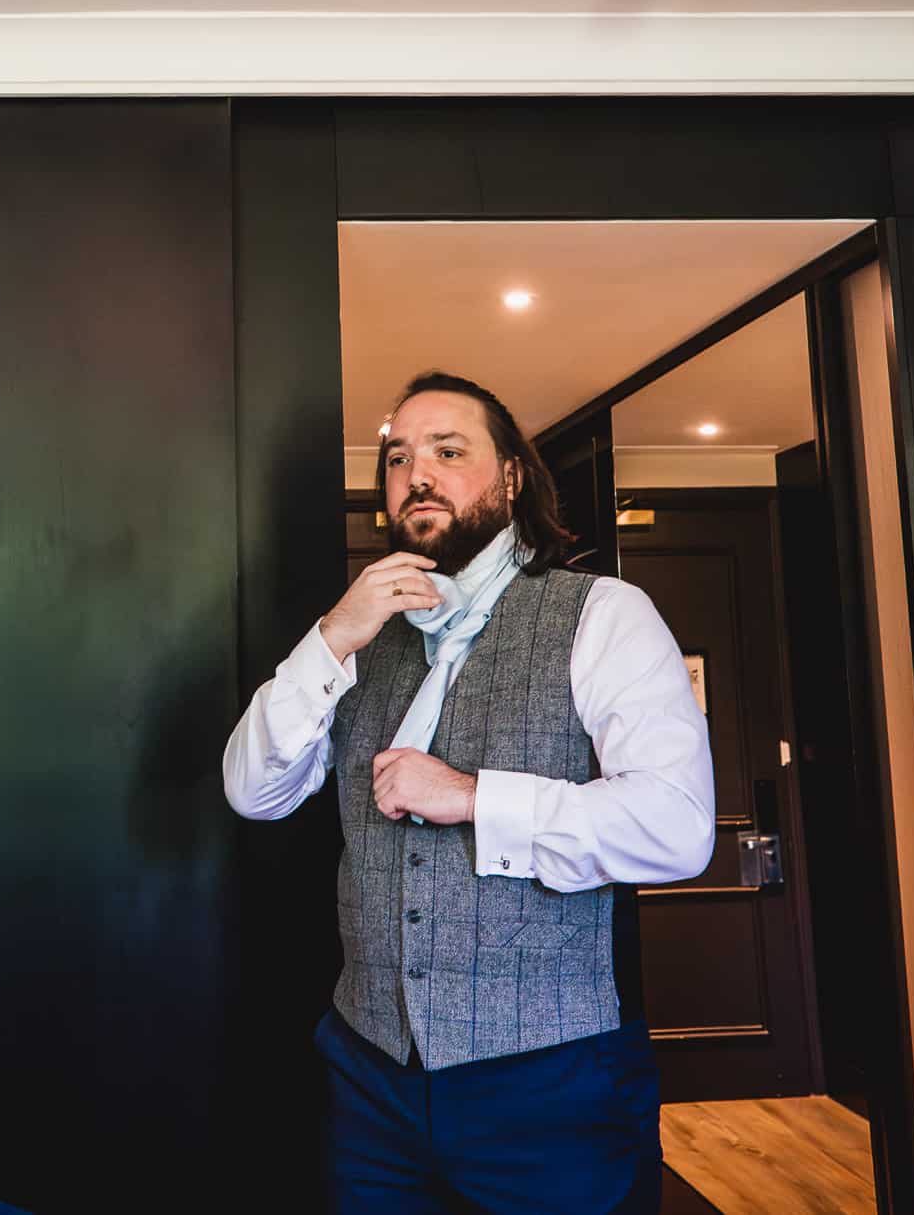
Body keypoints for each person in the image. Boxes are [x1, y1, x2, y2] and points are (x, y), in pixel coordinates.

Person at [223, 371, 716, 1215]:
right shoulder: (362, 640)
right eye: (399, 457)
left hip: (552, 1081)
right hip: (369, 1076)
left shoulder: (603, 613)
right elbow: (253, 790)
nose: (418, 473)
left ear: (512, 477)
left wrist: (475, 795)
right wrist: (333, 635)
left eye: (450, 451)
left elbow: (678, 828)